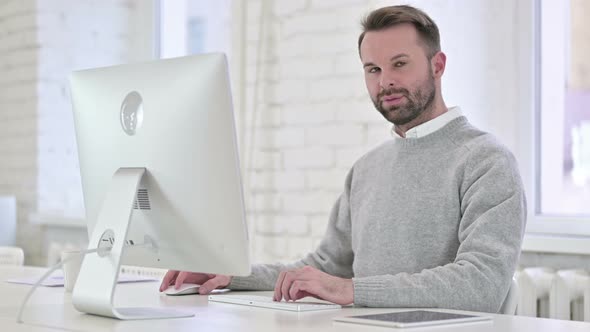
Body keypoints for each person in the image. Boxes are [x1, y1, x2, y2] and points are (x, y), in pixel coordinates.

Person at [159, 5, 526, 313]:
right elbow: (325, 268)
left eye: (400, 64)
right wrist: (230, 275)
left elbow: (482, 284)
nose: (386, 82)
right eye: (373, 69)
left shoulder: (487, 161)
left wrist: (351, 290)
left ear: (438, 65)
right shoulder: (367, 169)